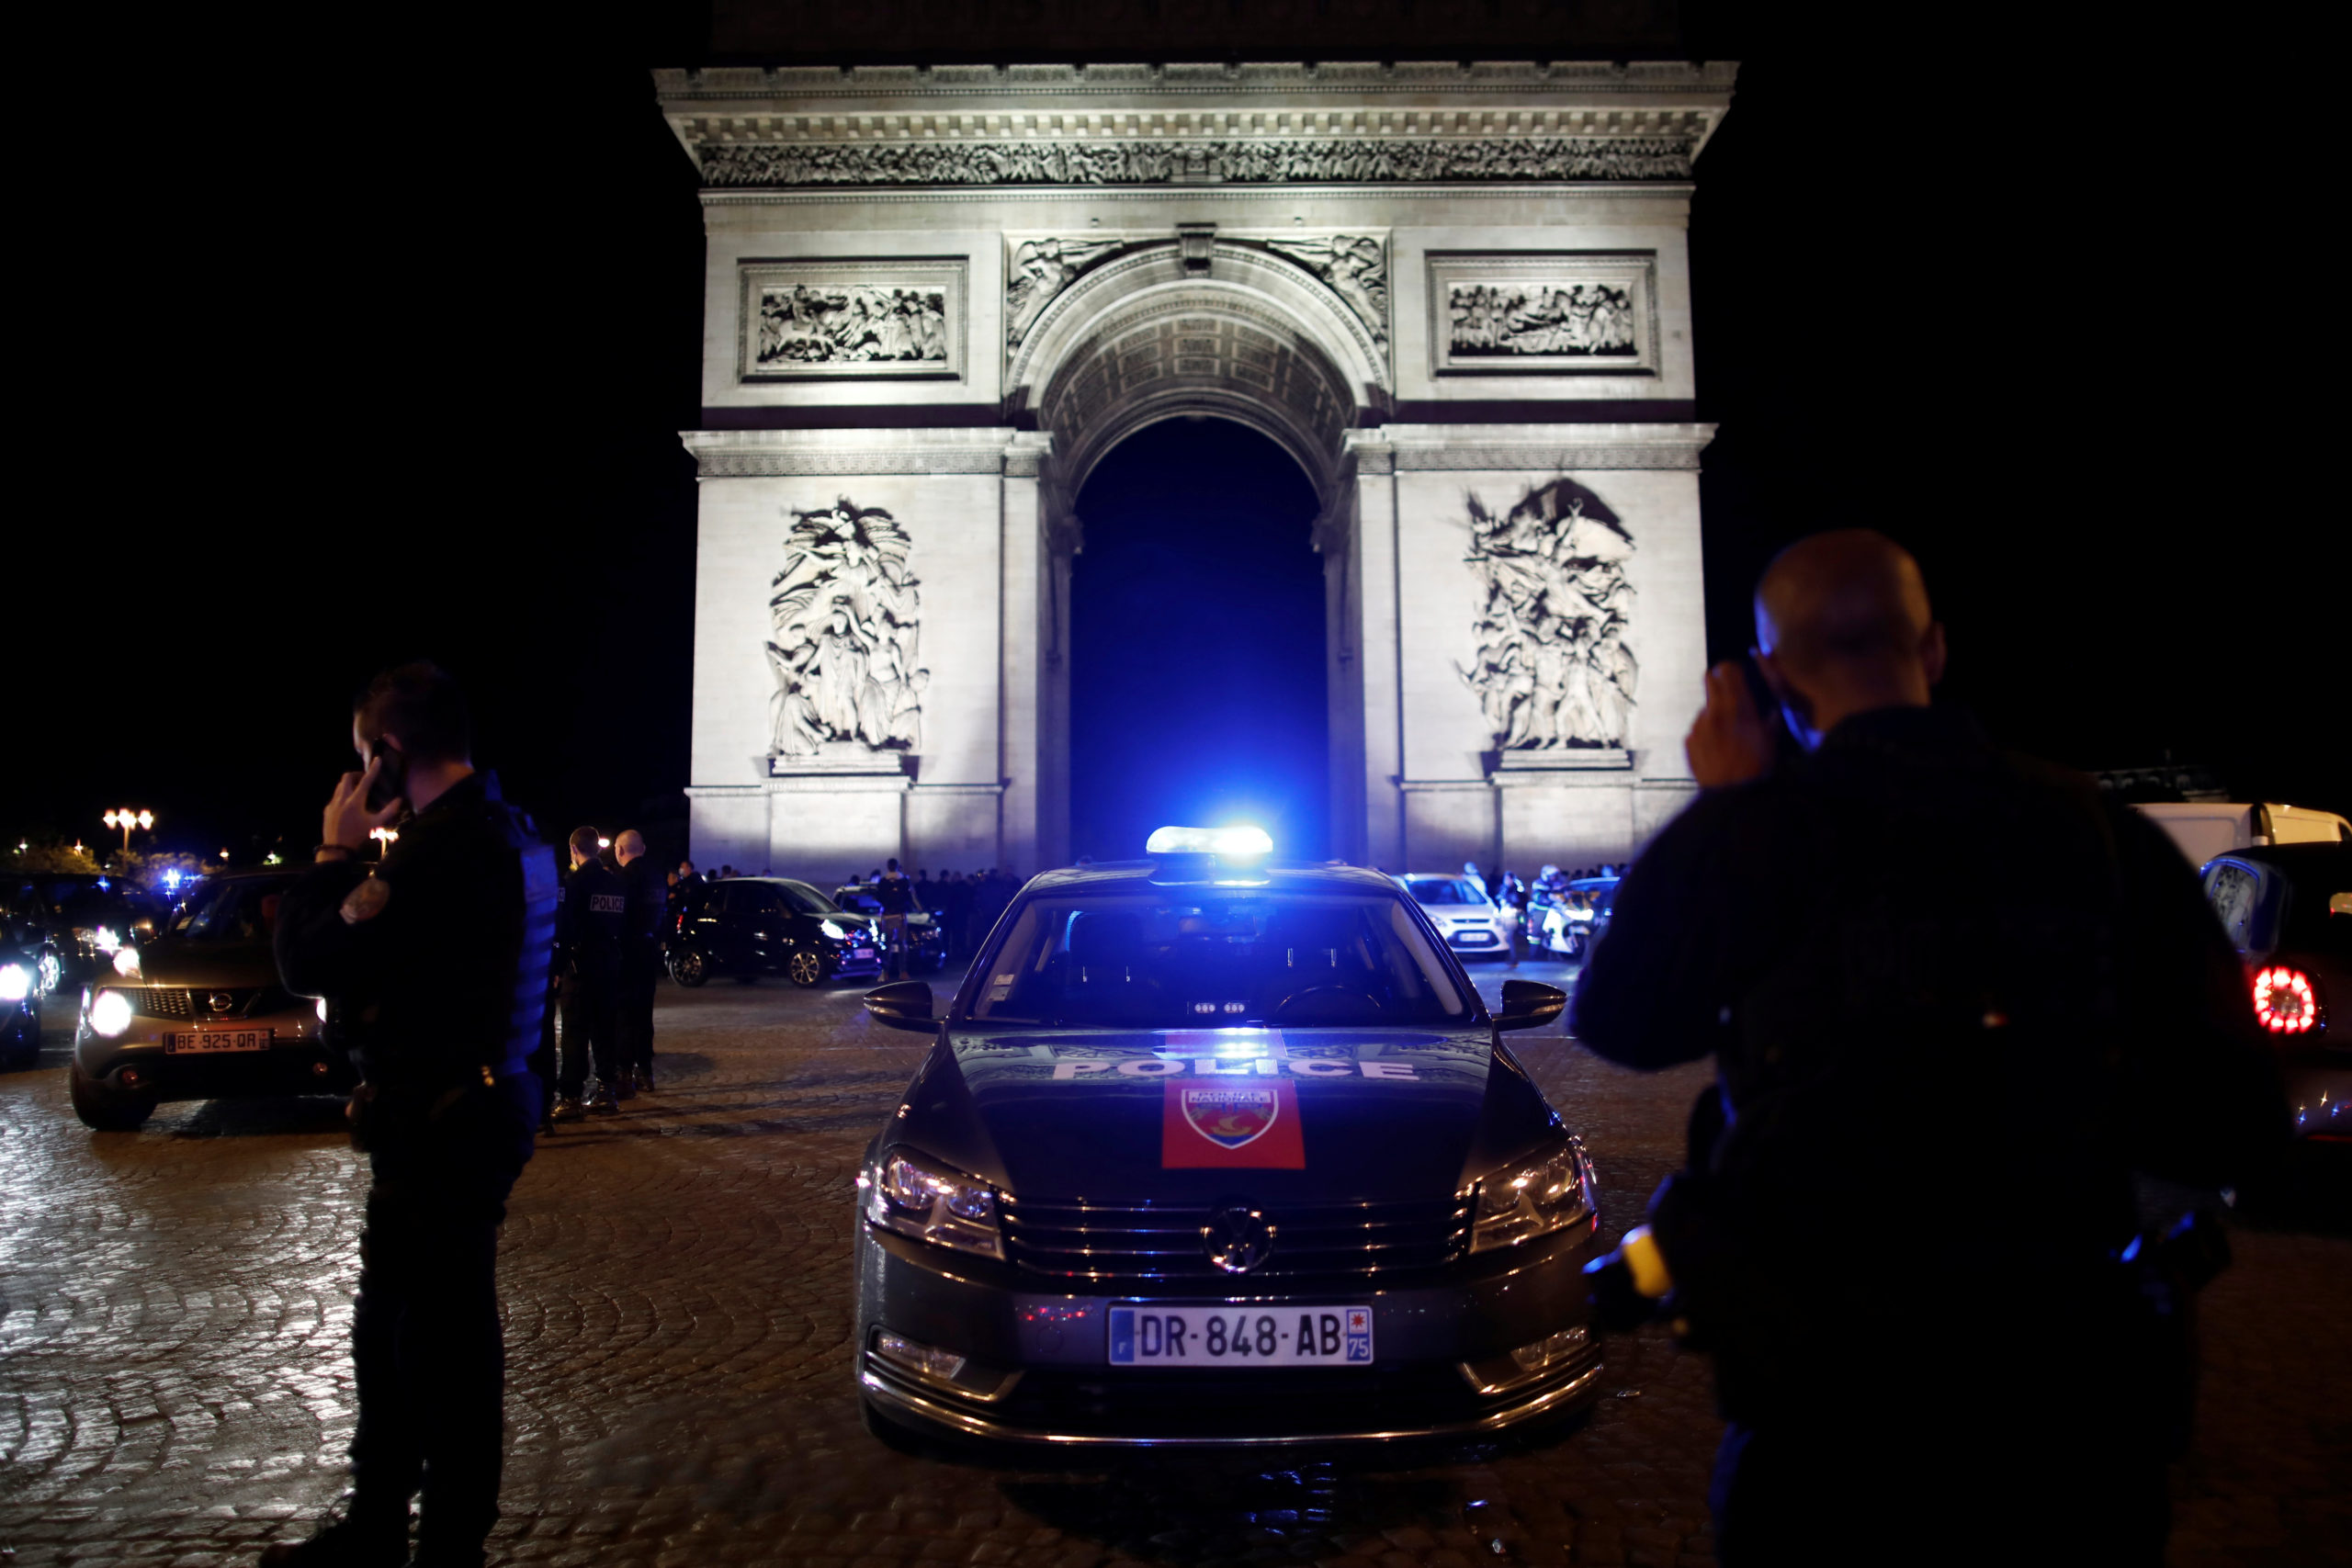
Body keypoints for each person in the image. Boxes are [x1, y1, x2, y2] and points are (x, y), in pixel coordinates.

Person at [1571, 531, 2285, 1565]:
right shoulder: (2098, 834)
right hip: (2065, 1416)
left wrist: (1728, 815)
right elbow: (2239, 1126)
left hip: (1827, 1426)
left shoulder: (1759, 839)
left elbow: (1621, 1024)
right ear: (1935, 649)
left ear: (1771, 678)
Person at [264, 661, 557, 1568]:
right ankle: (379, 1525)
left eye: (362, 757)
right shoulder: (512, 832)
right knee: (392, 1329)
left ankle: (443, 1550)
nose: (357, 778)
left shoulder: (441, 852)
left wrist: (332, 852)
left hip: (443, 1118)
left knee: (441, 1350)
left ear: (388, 752)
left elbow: (308, 960)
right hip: (470, 1100)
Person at [552, 827, 627, 1120]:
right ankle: (607, 1090)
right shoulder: (615, 883)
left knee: (574, 1032)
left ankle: (570, 1096)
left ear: (574, 850)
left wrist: (557, 967)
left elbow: (565, 929)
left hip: (579, 967)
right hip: (609, 964)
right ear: (598, 848)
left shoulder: (574, 883)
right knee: (605, 1028)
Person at [612, 829, 665, 1093]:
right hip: (648, 948)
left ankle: (623, 1073)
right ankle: (645, 1072)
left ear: (620, 851)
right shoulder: (657, 877)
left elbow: (619, 919)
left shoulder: (623, 879)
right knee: (644, 1014)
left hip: (627, 952)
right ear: (642, 849)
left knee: (624, 1013)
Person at [873, 856, 917, 978]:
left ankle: (885, 972)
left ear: (888, 867)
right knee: (902, 944)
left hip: (887, 916)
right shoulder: (903, 880)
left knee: (887, 944)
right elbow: (909, 897)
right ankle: (903, 971)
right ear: (897, 866)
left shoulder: (883, 881)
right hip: (901, 915)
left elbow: (878, 897)